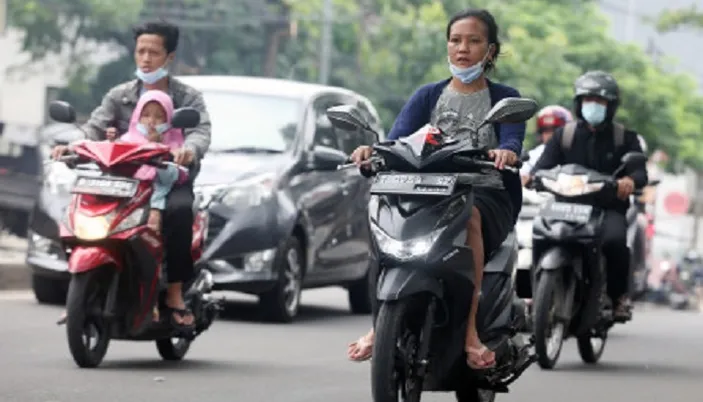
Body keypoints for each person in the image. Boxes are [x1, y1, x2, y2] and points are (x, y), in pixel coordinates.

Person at [346, 8, 526, 370]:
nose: (463, 49)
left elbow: (512, 138)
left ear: (490, 51)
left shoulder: (504, 97)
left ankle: (471, 331)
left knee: (470, 218)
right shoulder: (428, 96)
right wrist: (371, 152)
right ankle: (378, 324)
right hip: (426, 190)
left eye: (474, 41)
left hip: (483, 192)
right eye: (456, 40)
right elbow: (395, 142)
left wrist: (506, 152)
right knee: (384, 226)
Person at [51, 20, 211, 329]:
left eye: (154, 52)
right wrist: (70, 146)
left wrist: (188, 150)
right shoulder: (120, 95)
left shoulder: (188, 98)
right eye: (141, 52)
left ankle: (175, 293)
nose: (146, 59)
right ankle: (81, 289)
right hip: (122, 179)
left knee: (178, 212)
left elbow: (200, 132)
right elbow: (93, 129)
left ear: (170, 57)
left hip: (168, 178)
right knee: (80, 210)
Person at [527, 70, 648, 320]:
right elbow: (543, 167)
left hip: (607, 208)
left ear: (611, 106)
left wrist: (629, 181)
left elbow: (640, 173)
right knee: (536, 236)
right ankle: (531, 294)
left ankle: (618, 297)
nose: (592, 106)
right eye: (587, 100)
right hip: (564, 205)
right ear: (579, 103)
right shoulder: (565, 135)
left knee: (615, 242)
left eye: (600, 101)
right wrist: (531, 177)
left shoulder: (624, 138)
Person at [519, 105, 573, 185]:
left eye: (556, 130)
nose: (550, 135)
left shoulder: (576, 150)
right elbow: (524, 176)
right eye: (545, 130)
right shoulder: (534, 155)